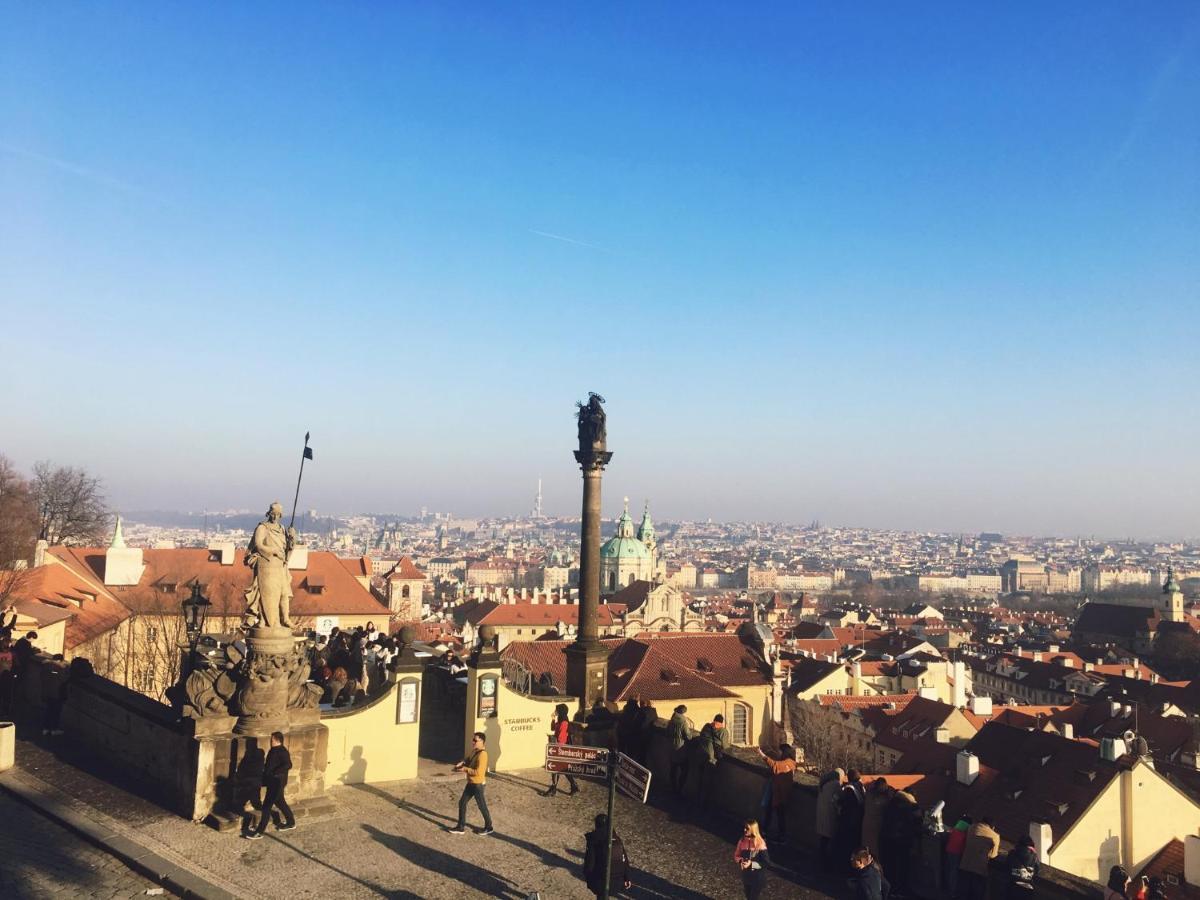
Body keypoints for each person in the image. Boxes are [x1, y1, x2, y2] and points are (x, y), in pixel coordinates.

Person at [246, 731, 295, 838]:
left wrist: (275, 773)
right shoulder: (273, 750)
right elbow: (269, 766)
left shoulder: (282, 751)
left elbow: (288, 764)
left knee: (266, 807)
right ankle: (291, 822)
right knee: (280, 802)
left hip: (276, 783)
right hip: (272, 782)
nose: (270, 741)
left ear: (277, 740)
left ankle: (259, 831)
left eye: (271, 740)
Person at [449, 732, 494, 835]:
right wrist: (462, 763)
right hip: (471, 783)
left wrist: (464, 769)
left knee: (482, 806)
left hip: (478, 784)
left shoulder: (483, 755)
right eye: (473, 740)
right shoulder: (475, 751)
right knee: (462, 803)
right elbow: (468, 760)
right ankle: (461, 827)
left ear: (482, 741)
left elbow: (478, 772)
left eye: (475, 740)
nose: (473, 742)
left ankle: (489, 826)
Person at [880, 788, 921, 898]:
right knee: (903, 866)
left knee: (890, 866)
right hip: (902, 840)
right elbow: (918, 821)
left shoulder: (891, 803)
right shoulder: (910, 805)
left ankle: (890, 889)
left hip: (887, 839)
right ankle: (902, 889)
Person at [583, 813, 631, 898]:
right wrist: (626, 878)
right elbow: (624, 860)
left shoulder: (594, 839)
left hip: (601, 882)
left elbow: (590, 863)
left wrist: (587, 877)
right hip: (618, 882)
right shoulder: (617, 839)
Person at [756, 743, 796, 840]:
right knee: (774, 814)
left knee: (778, 815)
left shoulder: (788, 762)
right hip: (778, 793)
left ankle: (780, 837)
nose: (779, 753)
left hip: (780, 794)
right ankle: (766, 832)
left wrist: (762, 755)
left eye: (780, 751)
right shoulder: (788, 762)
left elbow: (775, 766)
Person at [958, 816, 1000, 900]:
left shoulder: (971, 827)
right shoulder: (995, 836)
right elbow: (993, 855)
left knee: (963, 891)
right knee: (976, 893)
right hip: (979, 868)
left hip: (965, 863)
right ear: (992, 826)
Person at [835, 770, 867, 874]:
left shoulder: (850, 789)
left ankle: (845, 868)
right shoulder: (861, 787)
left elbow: (845, 805)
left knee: (846, 846)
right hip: (858, 821)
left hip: (849, 822)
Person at [695, 713, 730, 808]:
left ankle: (698, 801)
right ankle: (705, 804)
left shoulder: (706, 726)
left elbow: (701, 736)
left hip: (700, 756)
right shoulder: (723, 731)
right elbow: (726, 747)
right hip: (711, 760)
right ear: (721, 723)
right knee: (708, 782)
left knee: (700, 780)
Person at [734, 819, 772, 900]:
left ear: (753, 830)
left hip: (757, 878)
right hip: (746, 876)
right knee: (748, 897)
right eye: (744, 827)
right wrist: (741, 861)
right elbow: (736, 855)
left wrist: (751, 864)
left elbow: (766, 863)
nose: (744, 830)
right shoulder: (742, 841)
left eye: (747, 828)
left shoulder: (760, 843)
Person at [815, 768, 845, 870]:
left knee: (823, 840)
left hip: (822, 816)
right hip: (829, 816)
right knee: (828, 841)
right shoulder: (836, 785)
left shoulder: (824, 783)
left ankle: (820, 861)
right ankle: (826, 864)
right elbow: (840, 797)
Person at [546, 703, 578, 797]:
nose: (555, 711)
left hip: (561, 748)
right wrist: (552, 719)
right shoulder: (560, 721)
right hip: (559, 747)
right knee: (562, 769)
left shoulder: (564, 722)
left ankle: (554, 788)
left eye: (557, 710)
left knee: (556, 768)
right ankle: (573, 786)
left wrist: (554, 740)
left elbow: (561, 738)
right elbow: (553, 728)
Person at [861, 778, 891, 860]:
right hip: (876, 826)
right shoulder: (883, 799)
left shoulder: (868, 794)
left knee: (867, 848)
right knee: (875, 850)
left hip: (867, 825)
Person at [942, 816, 971, 899]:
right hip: (957, 852)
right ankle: (952, 892)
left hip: (949, 849)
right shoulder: (966, 831)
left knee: (949, 869)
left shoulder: (956, 828)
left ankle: (947, 888)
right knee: (954, 872)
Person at [668, 705, 692, 794]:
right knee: (685, 769)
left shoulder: (671, 720)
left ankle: (673, 788)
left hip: (671, 747)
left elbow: (667, 732)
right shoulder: (683, 722)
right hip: (681, 749)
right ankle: (680, 789)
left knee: (673, 769)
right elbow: (688, 736)